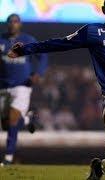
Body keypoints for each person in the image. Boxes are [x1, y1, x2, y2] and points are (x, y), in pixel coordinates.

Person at [7, 0, 105, 179]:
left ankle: (101, 166)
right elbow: (60, 43)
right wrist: (26, 50)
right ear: (103, 11)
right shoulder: (92, 31)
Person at [0, 14, 48, 166]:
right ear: (7, 24)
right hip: (3, 86)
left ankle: (8, 158)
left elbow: (42, 55)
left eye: (16, 21)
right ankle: (28, 119)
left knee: (13, 119)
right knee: (7, 124)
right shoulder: (1, 40)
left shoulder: (28, 40)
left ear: (20, 24)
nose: (13, 24)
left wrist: (38, 73)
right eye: (10, 21)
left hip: (22, 84)